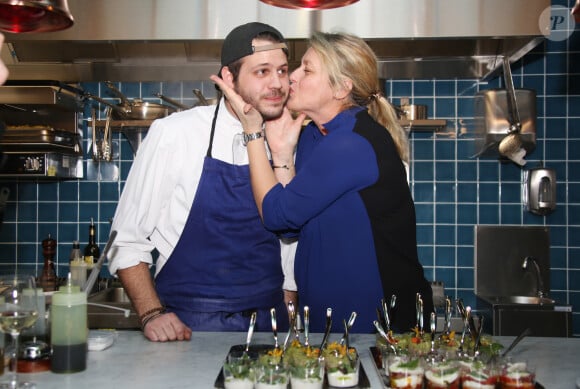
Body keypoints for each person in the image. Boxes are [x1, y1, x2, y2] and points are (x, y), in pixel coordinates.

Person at [212, 31, 434, 334]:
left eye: (307, 69)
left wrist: (253, 133)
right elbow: (291, 224)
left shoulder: (350, 143)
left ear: (342, 88)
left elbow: (275, 214)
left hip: (376, 324)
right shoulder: (318, 136)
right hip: (331, 319)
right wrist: (281, 154)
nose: (292, 76)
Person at [108, 22, 296, 342]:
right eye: (262, 71)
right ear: (228, 78)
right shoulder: (174, 133)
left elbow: (290, 240)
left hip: (270, 326)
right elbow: (126, 240)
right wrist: (152, 313)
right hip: (189, 328)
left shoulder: (287, 140)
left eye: (282, 71)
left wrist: (290, 309)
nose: (277, 83)